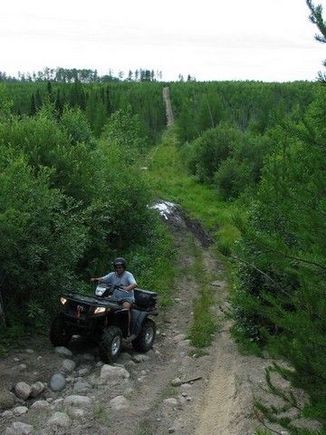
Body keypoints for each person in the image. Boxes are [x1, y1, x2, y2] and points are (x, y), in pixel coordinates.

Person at [91, 257, 137, 336]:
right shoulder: (112, 275)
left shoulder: (128, 275)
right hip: (114, 298)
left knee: (125, 307)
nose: (118, 269)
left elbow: (134, 284)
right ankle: (102, 326)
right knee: (102, 306)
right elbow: (103, 279)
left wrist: (127, 288)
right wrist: (95, 279)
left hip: (127, 298)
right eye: (116, 267)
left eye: (120, 267)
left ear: (124, 267)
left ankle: (127, 329)